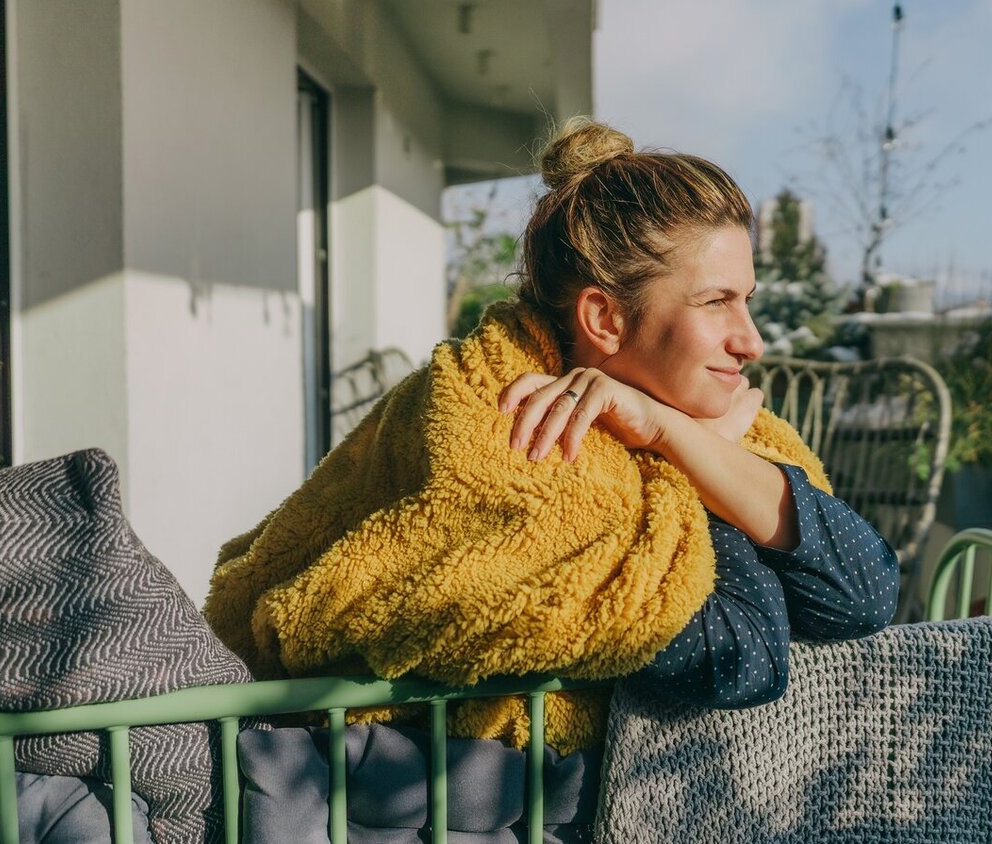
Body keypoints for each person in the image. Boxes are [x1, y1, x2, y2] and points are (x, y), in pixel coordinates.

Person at [204, 118, 899, 755]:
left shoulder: (678, 414)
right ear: (604, 319)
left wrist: (678, 436)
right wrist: (696, 455)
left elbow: (864, 595)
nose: (750, 341)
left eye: (747, 301)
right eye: (716, 301)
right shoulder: (512, 426)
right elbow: (743, 656)